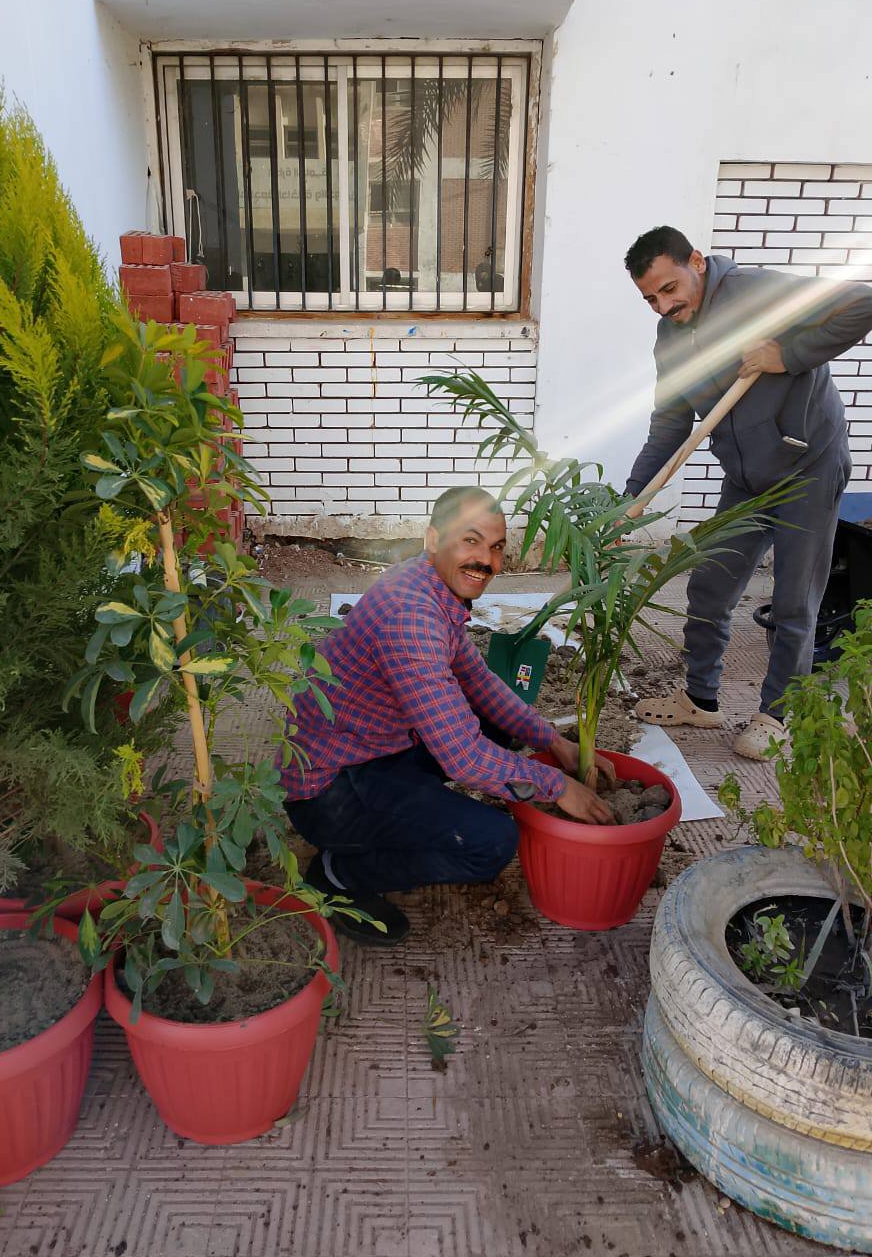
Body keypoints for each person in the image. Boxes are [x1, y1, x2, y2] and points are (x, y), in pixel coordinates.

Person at [280, 486, 616, 944]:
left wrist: (554, 742)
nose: (486, 561)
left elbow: (478, 681)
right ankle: (338, 873)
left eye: (496, 547)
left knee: (495, 723)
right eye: (470, 541)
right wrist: (559, 787)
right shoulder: (412, 618)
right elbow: (462, 759)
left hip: (373, 749)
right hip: (329, 791)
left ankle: (408, 811)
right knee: (490, 843)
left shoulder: (431, 584)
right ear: (434, 539)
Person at [623, 225, 872, 760]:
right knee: (709, 586)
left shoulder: (756, 292)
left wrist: (789, 353)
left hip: (808, 466)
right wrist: (633, 498)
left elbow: (862, 302)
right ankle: (700, 699)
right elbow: (670, 425)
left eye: (669, 289)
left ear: (696, 261)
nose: (663, 306)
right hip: (746, 478)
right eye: (651, 299)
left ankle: (776, 716)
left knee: (793, 602)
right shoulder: (671, 338)